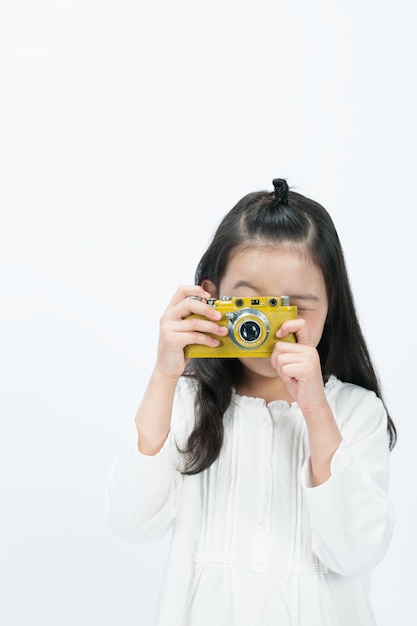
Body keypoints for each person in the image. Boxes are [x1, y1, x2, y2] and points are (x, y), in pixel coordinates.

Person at [106, 179, 396, 626]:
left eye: (293, 307)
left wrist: (316, 408)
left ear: (330, 306)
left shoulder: (357, 413)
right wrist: (165, 375)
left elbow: (356, 552)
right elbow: (132, 521)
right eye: (248, 305)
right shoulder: (187, 403)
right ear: (211, 297)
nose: (266, 326)